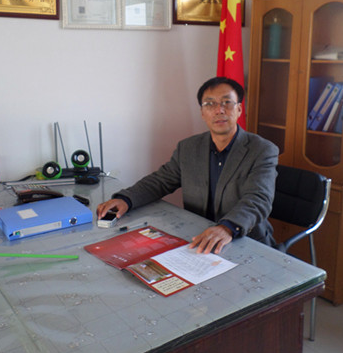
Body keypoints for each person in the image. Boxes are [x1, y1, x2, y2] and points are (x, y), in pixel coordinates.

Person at [96, 77, 279, 254]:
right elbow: (160, 181)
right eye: (210, 104)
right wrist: (126, 199)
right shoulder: (189, 147)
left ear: (239, 109)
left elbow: (258, 199)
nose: (219, 110)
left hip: (244, 241)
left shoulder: (262, 150)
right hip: (197, 237)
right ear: (202, 113)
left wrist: (227, 227)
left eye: (227, 102)